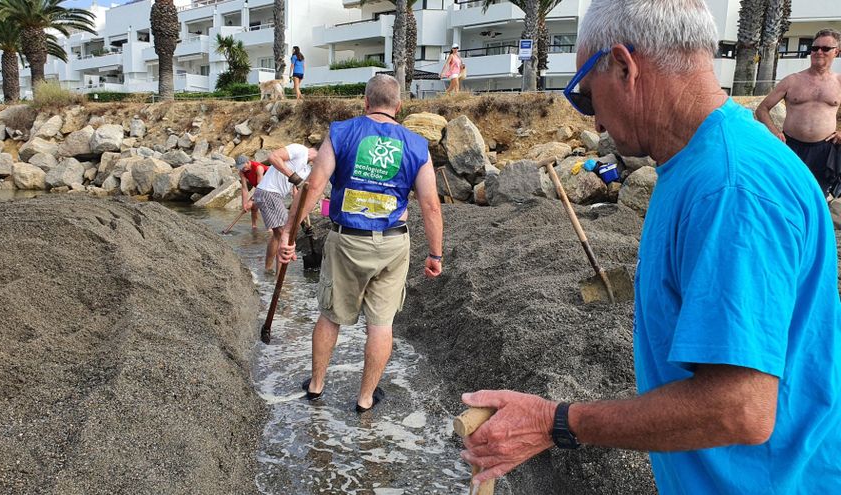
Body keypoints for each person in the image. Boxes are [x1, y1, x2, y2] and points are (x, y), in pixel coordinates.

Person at [460, 1, 841, 493]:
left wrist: (557, 422)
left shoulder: (730, 189)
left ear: (623, 66)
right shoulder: (691, 165)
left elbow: (740, 408)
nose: (593, 124)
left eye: (585, 97)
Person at [277, 74, 444, 413]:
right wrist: (435, 253)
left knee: (330, 316)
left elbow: (314, 187)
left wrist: (288, 237)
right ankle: (365, 399)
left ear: (365, 102)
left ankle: (316, 386)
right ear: (398, 108)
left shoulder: (341, 132)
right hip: (393, 245)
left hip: (347, 241)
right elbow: (431, 205)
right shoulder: (415, 144)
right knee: (381, 324)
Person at [756, 28, 841, 197]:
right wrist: (775, 133)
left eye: (825, 48)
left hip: (823, 151)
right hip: (790, 146)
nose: (818, 52)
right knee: (783, 194)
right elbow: (762, 109)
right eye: (814, 48)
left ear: (836, 52)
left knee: (816, 196)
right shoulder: (792, 80)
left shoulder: (839, 81)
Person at [254, 143, 317, 272]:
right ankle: (281, 281)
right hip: (268, 192)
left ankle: (268, 271)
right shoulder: (299, 150)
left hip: (271, 195)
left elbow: (296, 194)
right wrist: (293, 176)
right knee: (285, 236)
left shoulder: (306, 170)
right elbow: (273, 157)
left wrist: (303, 222)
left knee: (278, 235)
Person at [236, 155, 270, 229]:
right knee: (253, 206)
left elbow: (260, 187)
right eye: (240, 167)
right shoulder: (242, 172)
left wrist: (251, 200)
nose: (242, 169)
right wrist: (244, 204)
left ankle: (270, 229)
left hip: (269, 186)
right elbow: (244, 188)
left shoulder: (258, 168)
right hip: (261, 187)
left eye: (243, 167)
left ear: (248, 162)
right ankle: (254, 226)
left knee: (264, 205)